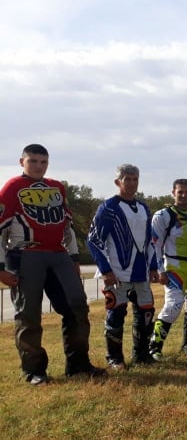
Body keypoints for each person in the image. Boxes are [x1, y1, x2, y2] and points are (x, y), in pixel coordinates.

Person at [0, 144, 107, 385]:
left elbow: (67, 227)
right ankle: (34, 370)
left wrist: (74, 258)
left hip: (59, 256)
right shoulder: (12, 187)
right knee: (29, 315)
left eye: (43, 162)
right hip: (25, 254)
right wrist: (1, 269)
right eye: (33, 161)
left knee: (77, 306)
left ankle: (78, 364)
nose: (38, 166)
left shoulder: (56, 187)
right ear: (22, 162)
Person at [87, 164, 160, 370]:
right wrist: (105, 269)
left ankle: (142, 354)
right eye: (127, 179)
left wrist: (153, 266)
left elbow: (149, 241)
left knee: (146, 313)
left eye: (135, 179)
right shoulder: (108, 207)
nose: (131, 183)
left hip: (141, 272)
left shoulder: (144, 207)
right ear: (118, 181)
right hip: (118, 272)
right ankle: (115, 358)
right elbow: (93, 240)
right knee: (116, 313)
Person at [148, 179, 187, 360]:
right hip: (174, 265)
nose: (183, 195)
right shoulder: (163, 216)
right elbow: (155, 245)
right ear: (173, 192)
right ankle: (155, 346)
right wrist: (160, 269)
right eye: (180, 192)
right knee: (174, 305)